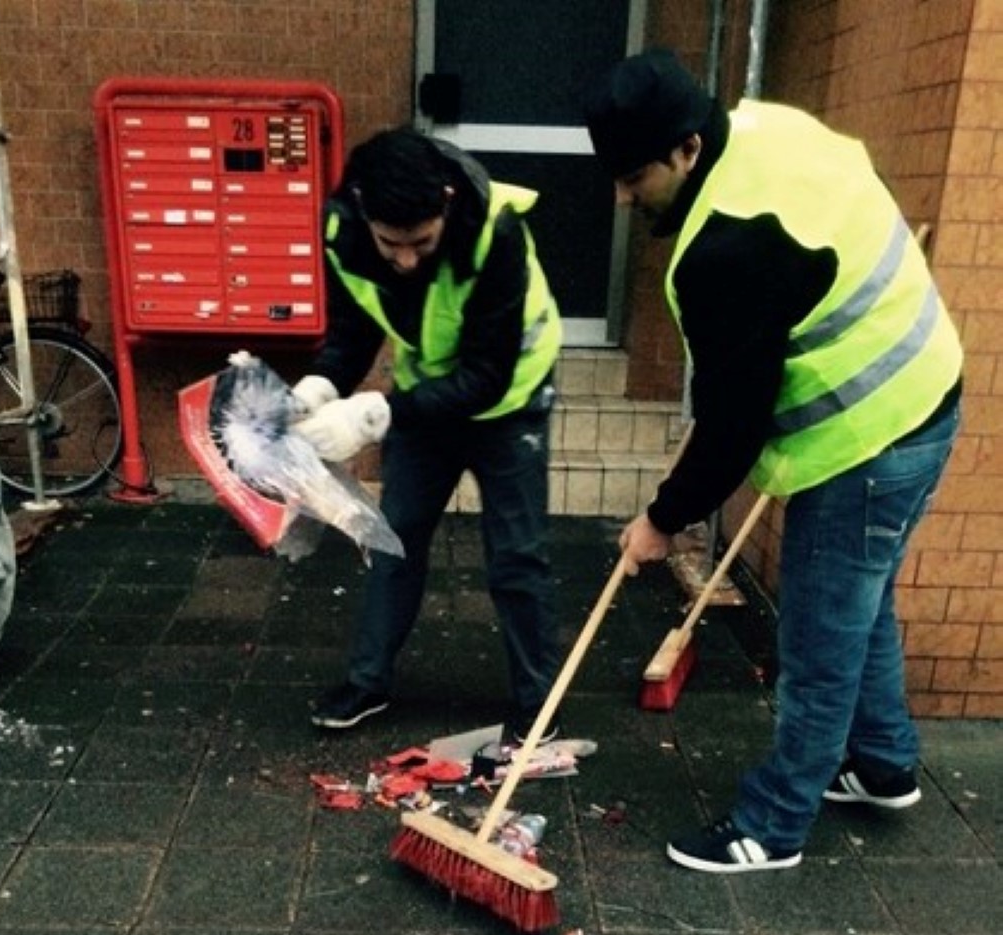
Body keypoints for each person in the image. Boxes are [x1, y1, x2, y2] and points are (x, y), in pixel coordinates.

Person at [583, 48, 963, 873]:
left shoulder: (727, 249)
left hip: (868, 439)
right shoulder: (766, 127)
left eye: (634, 176)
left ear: (687, 147)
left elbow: (732, 428)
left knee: (820, 638)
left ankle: (775, 824)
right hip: (928, 390)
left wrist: (661, 520)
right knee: (861, 602)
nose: (622, 196)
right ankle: (885, 765)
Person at [290, 126, 563, 742]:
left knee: (517, 556)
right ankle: (367, 683)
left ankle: (537, 704)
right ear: (363, 209)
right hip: (424, 400)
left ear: (446, 200)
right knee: (394, 539)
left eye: (421, 242)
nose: (407, 259)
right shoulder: (343, 233)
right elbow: (354, 331)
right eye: (391, 243)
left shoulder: (496, 233)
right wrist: (319, 386)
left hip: (510, 403)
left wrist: (374, 416)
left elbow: (487, 376)